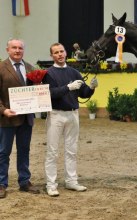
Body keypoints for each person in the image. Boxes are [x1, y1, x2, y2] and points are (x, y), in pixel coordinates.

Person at [42, 43, 98, 197]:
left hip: (73, 114)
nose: (59, 54)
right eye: (56, 52)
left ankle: (71, 181)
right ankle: (51, 184)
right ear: (52, 56)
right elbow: (50, 93)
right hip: (56, 114)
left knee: (71, 150)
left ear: (66, 53)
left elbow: (83, 93)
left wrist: (91, 88)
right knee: (52, 151)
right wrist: (68, 88)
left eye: (61, 51)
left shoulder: (74, 72)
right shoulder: (49, 73)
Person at [0, 38, 40, 198]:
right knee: (3, 152)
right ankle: (1, 183)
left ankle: (24, 181)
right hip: (7, 118)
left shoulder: (30, 68)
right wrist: (3, 111)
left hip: (26, 118)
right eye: (14, 48)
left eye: (20, 48)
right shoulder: (1, 68)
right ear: (7, 50)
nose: (17, 51)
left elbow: (36, 92)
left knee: (24, 150)